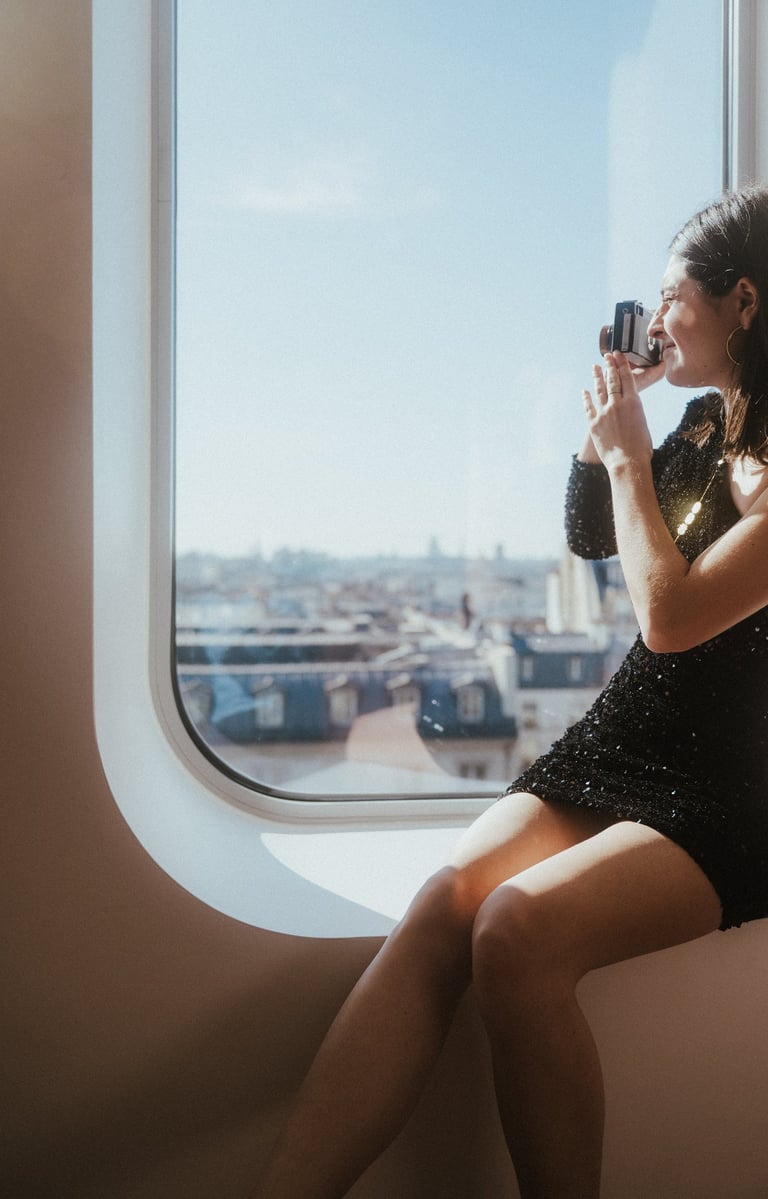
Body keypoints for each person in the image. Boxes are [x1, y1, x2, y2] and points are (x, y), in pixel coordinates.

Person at [252, 185, 768, 1199]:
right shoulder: (707, 424)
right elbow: (591, 531)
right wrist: (606, 435)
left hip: (732, 786)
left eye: (673, 297)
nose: (658, 317)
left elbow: (670, 614)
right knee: (445, 902)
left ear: (743, 302)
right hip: (630, 738)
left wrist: (628, 453)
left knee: (516, 931)